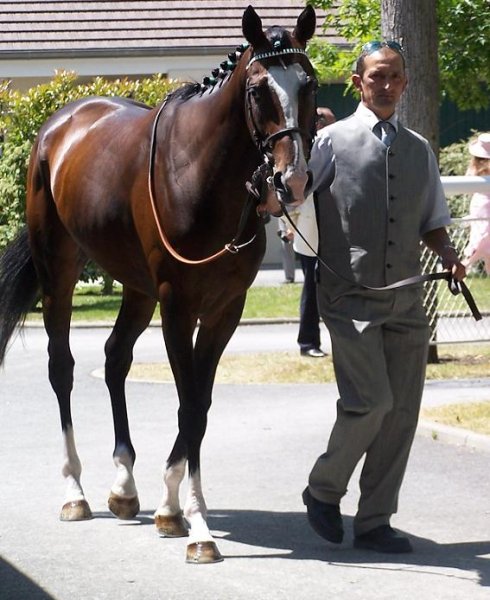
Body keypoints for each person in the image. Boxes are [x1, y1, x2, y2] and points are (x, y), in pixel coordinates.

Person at [302, 40, 466, 554]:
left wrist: (448, 255)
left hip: (407, 300)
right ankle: (323, 490)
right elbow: (299, 209)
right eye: (377, 76)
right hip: (349, 299)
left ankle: (374, 521)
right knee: (370, 403)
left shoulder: (419, 148)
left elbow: (433, 220)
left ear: (406, 82)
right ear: (358, 82)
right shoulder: (328, 142)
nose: (386, 84)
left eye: (395, 75)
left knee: (401, 415)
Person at [294, 107, 336, 358]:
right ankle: (308, 342)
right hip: (311, 236)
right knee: (312, 290)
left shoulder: (338, 149)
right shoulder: (304, 152)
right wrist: (287, 227)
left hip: (337, 235)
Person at [462, 133, 490, 274]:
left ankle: (469, 260)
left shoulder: (474, 170)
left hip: (480, 206)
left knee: (482, 235)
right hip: (482, 207)